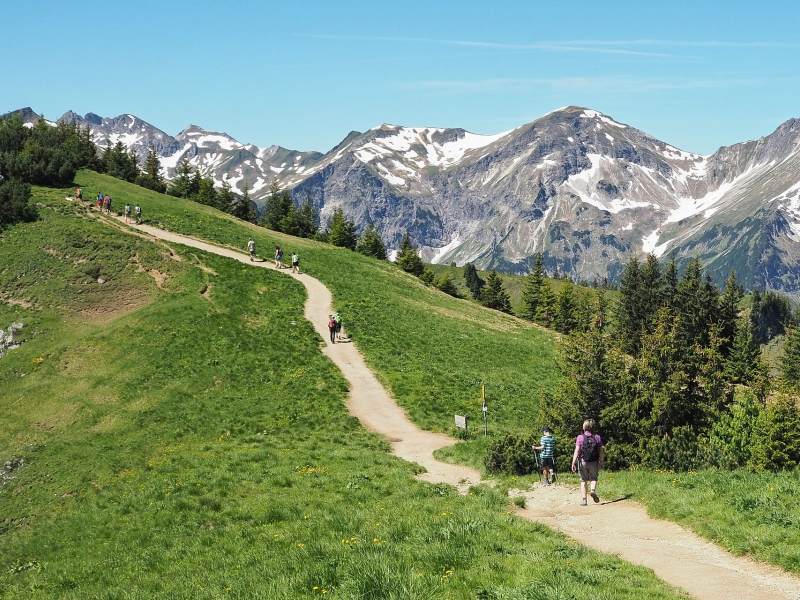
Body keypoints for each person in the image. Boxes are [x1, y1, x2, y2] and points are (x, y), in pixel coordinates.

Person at [571, 419, 604, 506]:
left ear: (584, 427)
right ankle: (592, 490)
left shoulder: (580, 437)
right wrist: (601, 461)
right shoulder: (597, 437)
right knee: (594, 478)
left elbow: (577, 451)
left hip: (583, 462)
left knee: (583, 481)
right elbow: (601, 451)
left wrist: (573, 462)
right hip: (594, 461)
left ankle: (584, 500)